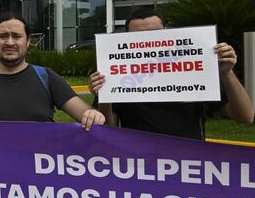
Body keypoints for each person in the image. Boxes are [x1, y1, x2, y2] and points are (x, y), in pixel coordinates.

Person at [87, 9, 254, 139]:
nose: (149, 43)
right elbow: (108, 130)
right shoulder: (115, 75)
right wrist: (105, 97)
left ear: (167, 31)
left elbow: (245, 117)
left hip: (188, 161)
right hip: (137, 162)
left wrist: (227, 73)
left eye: (155, 34)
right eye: (137, 37)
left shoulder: (195, 70)